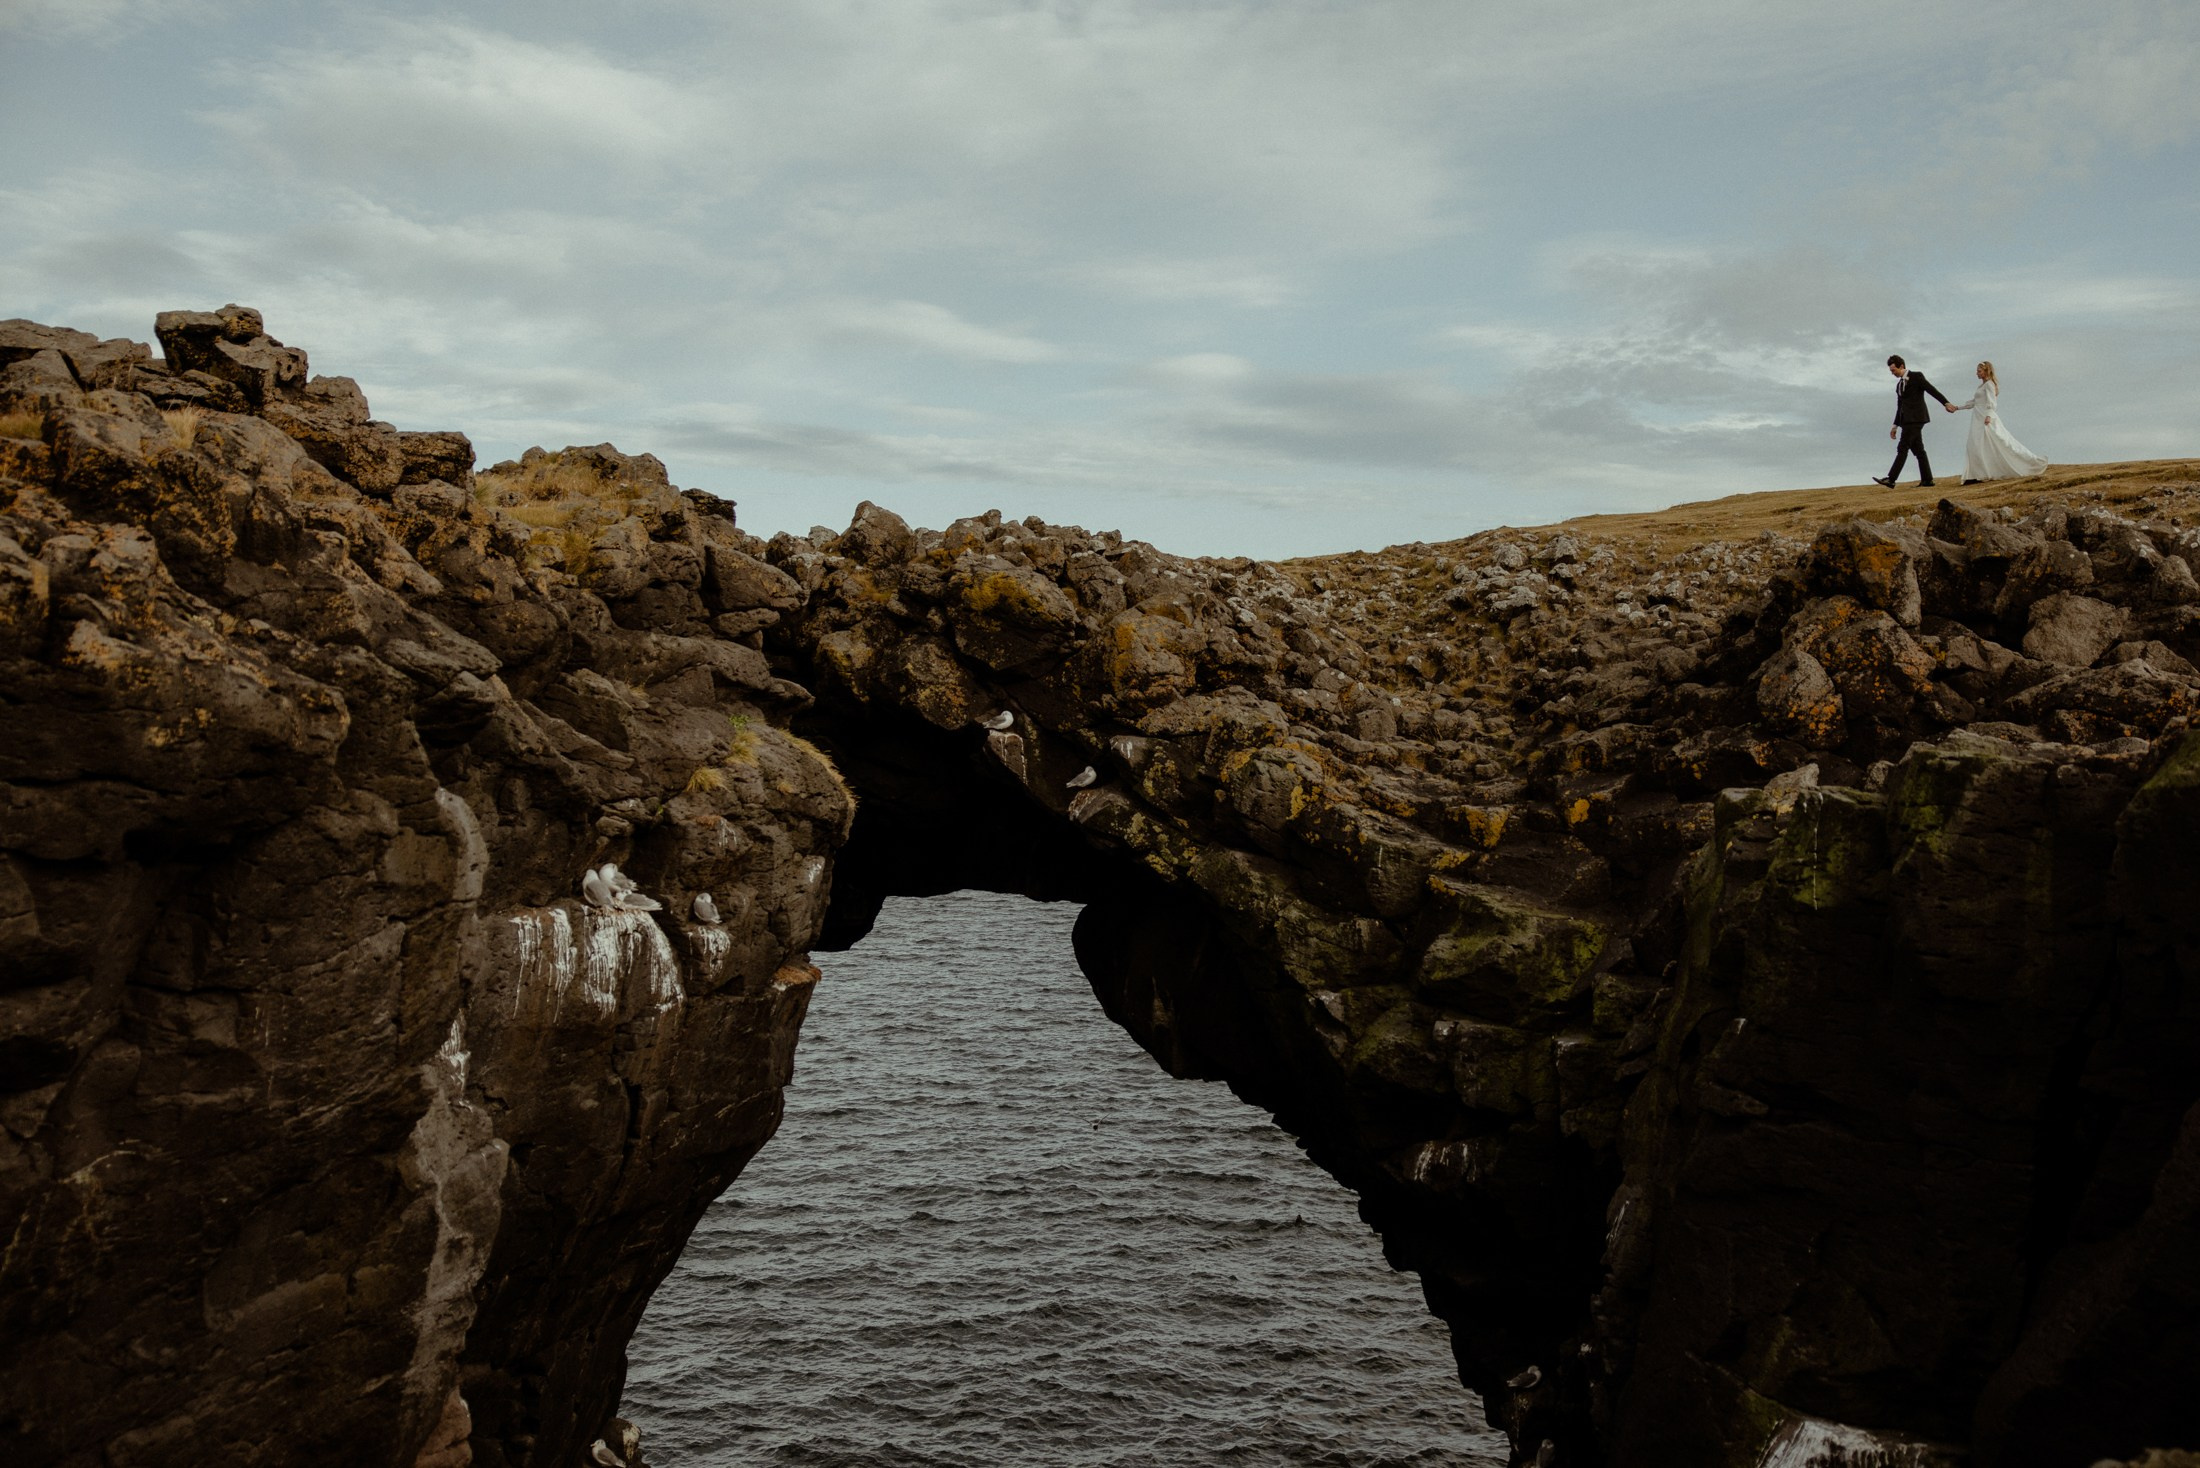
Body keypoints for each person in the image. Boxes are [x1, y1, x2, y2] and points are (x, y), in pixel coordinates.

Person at [1948, 360, 2048, 483]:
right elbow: (1974, 402)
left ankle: (2029, 462)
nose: (1976, 373)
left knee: (1998, 442)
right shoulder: (1982, 386)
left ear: (1986, 371)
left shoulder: (1989, 384)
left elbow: (1992, 402)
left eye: (1979, 371)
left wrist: (1989, 415)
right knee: (1975, 445)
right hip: (1977, 417)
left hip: (1985, 418)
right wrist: (1957, 408)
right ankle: (1976, 474)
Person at [1872, 354, 1954, 488]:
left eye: (1893, 370)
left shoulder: (1917, 376)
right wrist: (1895, 425)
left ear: (1901, 366)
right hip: (1906, 421)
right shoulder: (1899, 385)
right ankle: (1927, 480)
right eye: (1891, 371)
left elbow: (1931, 390)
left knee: (1902, 447)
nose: (1892, 373)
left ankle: (1891, 479)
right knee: (1918, 450)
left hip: (1916, 419)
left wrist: (1945, 403)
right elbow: (1899, 407)